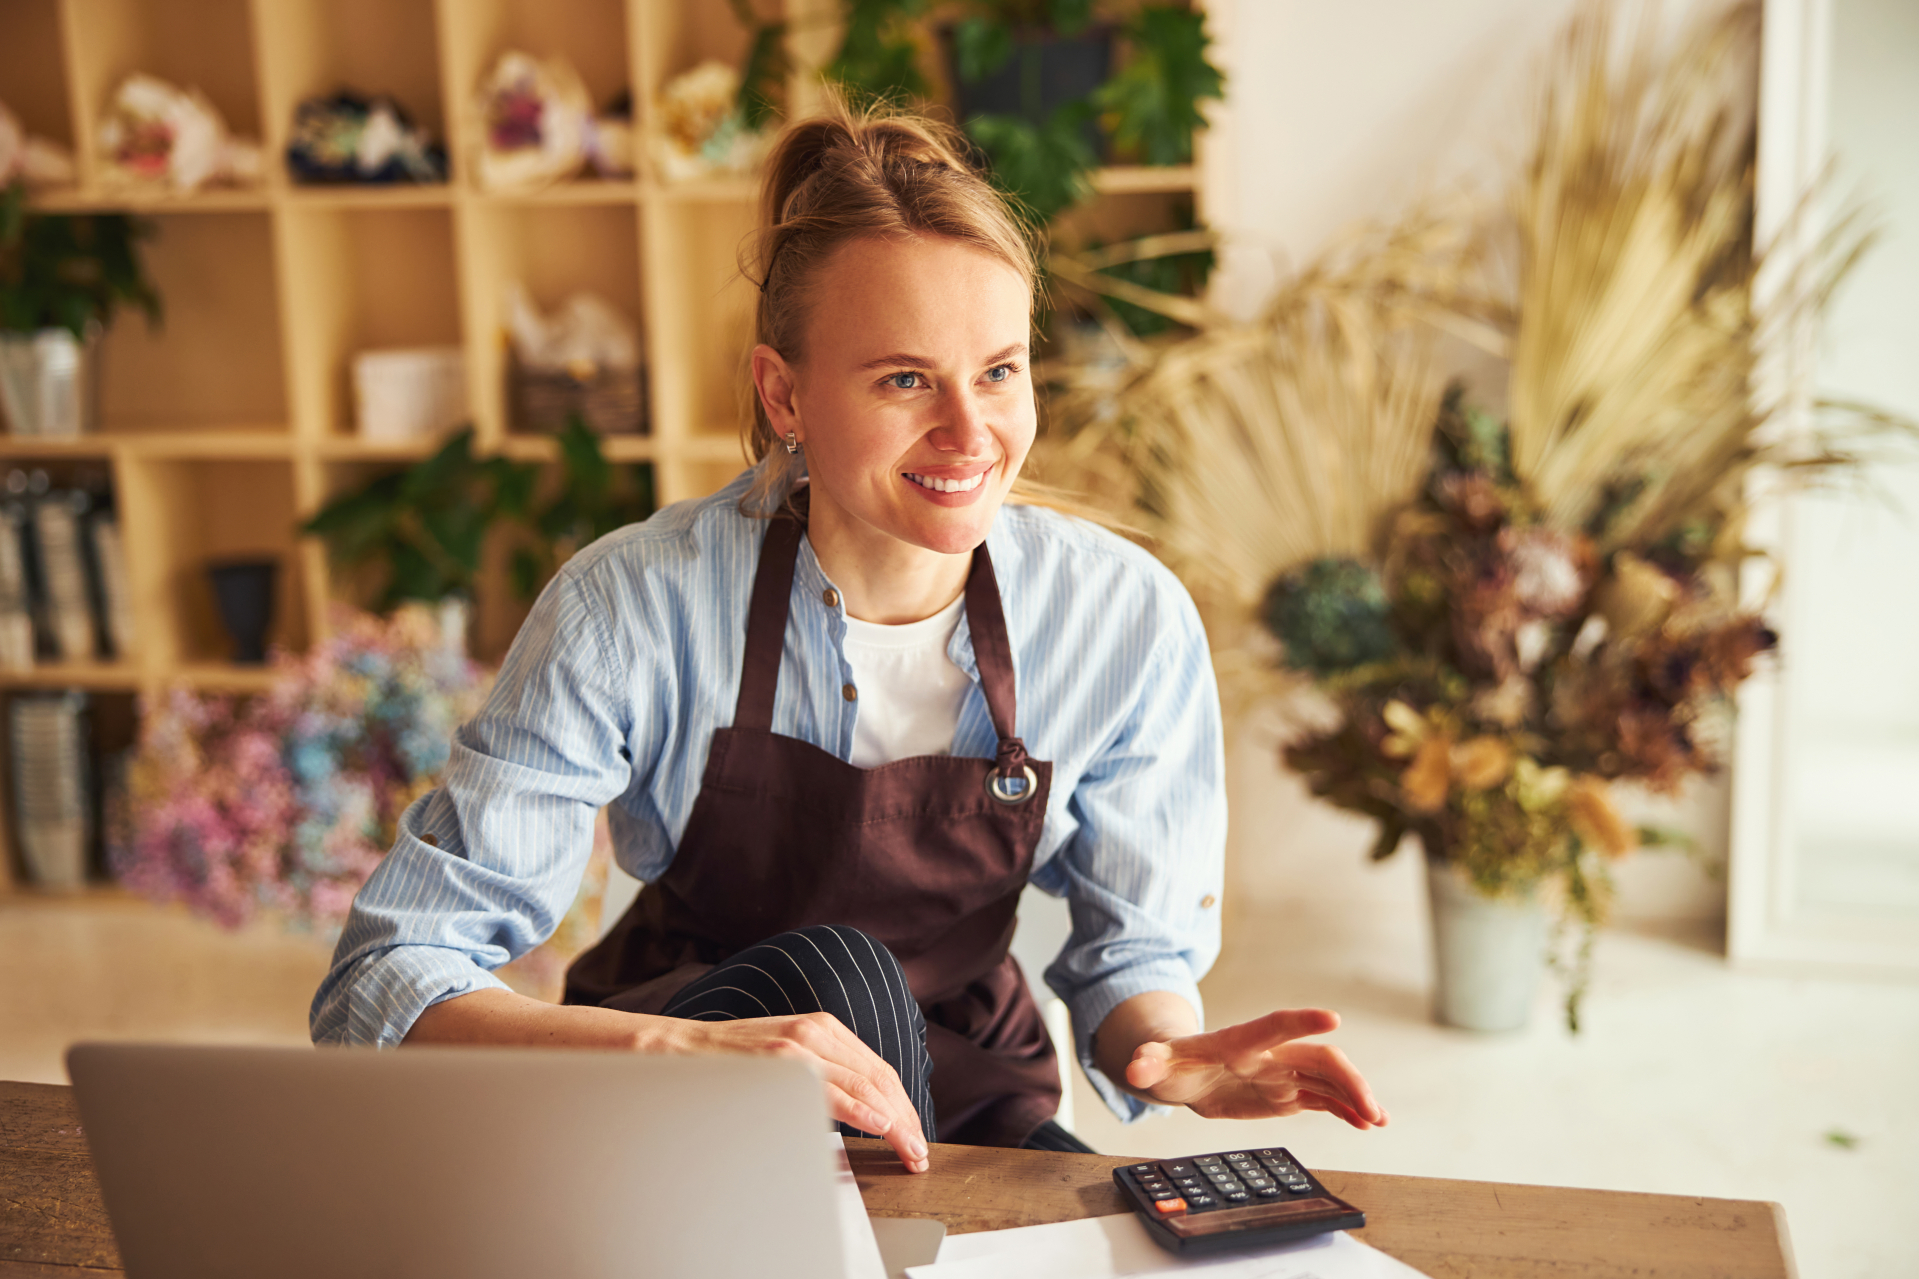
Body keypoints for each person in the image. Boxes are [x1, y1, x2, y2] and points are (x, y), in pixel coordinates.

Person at [311, 98, 1386, 1172]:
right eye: (905, 379)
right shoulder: (629, 607)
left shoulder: (1122, 617)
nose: (971, 434)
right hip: (683, 1080)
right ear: (784, 393)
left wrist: (1168, 1051)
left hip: (962, 1092)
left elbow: (1133, 950)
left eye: (999, 371)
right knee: (836, 974)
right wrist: (674, 1048)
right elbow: (387, 973)